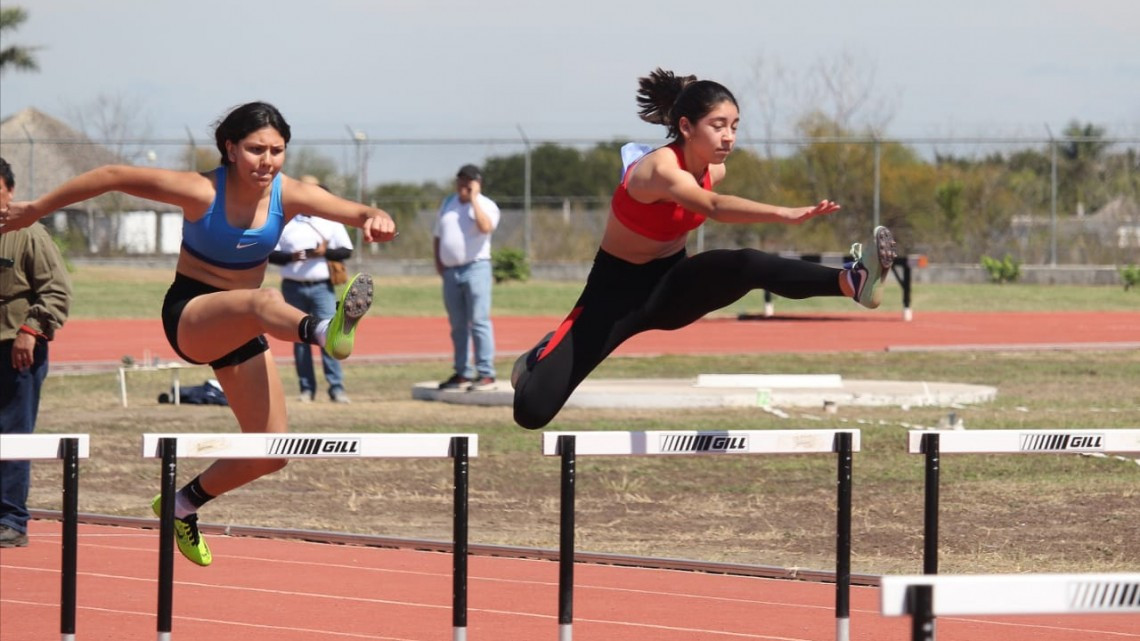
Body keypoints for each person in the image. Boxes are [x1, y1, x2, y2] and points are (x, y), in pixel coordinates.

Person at [0, 102, 397, 565]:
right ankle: (326, 330)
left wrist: (374, 215)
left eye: (276, 150)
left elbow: (354, 210)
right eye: (254, 150)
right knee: (263, 301)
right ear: (229, 148)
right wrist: (37, 209)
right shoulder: (200, 190)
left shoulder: (289, 194)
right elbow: (111, 175)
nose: (266, 161)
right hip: (192, 315)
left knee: (272, 450)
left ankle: (181, 504)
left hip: (242, 327)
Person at [511, 69, 897, 430]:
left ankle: (852, 280)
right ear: (685, 126)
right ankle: (539, 356)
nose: (729, 137)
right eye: (718, 126)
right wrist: (784, 213)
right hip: (613, 296)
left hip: (672, 286)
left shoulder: (715, 170)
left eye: (734, 126)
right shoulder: (658, 169)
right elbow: (711, 206)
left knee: (745, 263)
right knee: (532, 412)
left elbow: (711, 204)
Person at [0, 156, 72, 549]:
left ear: (9, 191)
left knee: (12, 436)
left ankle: (11, 519)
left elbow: (56, 291)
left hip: (16, 350)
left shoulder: (28, 233)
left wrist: (31, 330)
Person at [270, 176, 356, 403]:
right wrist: (292, 256)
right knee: (300, 340)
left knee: (330, 336)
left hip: (321, 287)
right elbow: (270, 253)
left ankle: (336, 388)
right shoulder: (286, 221)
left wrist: (324, 253)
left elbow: (346, 251)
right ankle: (306, 389)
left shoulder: (330, 221)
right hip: (292, 287)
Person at [433, 163, 501, 391]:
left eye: (469, 180)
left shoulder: (486, 205)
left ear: (477, 183)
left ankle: (486, 373)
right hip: (451, 272)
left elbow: (485, 227)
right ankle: (462, 372)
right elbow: (438, 235)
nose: (463, 184)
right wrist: (439, 262)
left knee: (479, 321)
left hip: (476, 268)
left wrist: (473, 200)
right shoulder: (447, 203)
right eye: (460, 180)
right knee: (457, 325)